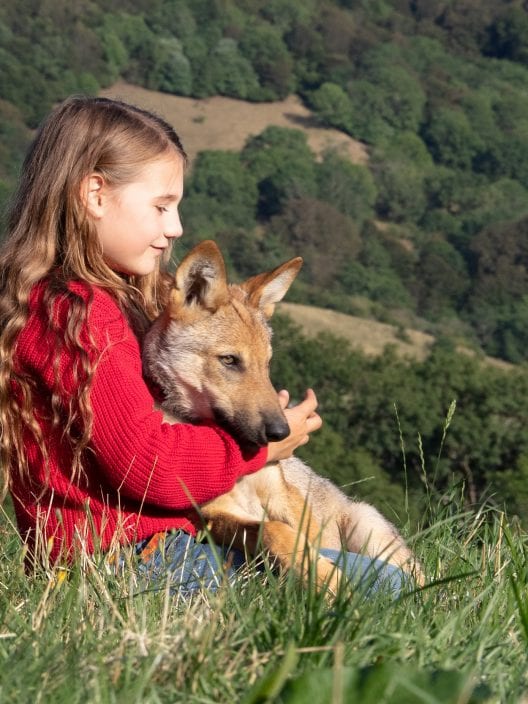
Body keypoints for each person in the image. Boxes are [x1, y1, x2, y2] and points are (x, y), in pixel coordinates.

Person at [0, 95, 406, 596]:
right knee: (387, 587)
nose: (175, 227)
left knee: (367, 576)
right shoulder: (74, 313)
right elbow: (147, 466)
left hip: (153, 549)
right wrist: (260, 448)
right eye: (161, 205)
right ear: (95, 194)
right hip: (121, 563)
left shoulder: (109, 301)